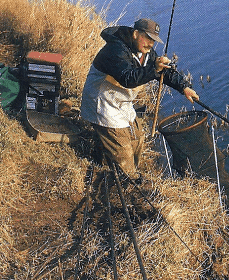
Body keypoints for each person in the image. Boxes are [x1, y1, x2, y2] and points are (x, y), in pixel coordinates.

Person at [80, 18, 199, 179]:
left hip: (121, 102)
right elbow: (128, 79)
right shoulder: (116, 50)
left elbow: (163, 71)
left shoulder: (145, 52)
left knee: (137, 139)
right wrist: (154, 69)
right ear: (136, 34)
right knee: (123, 153)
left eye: (154, 40)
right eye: (148, 38)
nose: (151, 44)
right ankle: (125, 179)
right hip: (102, 102)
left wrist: (184, 87)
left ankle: (108, 161)